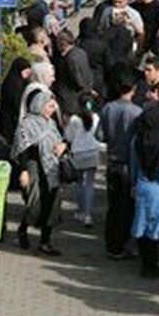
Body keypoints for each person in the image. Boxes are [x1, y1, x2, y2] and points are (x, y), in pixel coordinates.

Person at [14, 88, 66, 255]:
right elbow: (22, 149)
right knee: (35, 202)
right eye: (49, 107)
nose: (52, 111)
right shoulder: (26, 124)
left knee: (52, 202)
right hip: (34, 166)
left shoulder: (51, 124)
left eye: (53, 107)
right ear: (39, 105)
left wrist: (63, 146)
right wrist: (23, 171)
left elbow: (62, 139)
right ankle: (23, 230)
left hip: (51, 168)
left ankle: (45, 241)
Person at [100, 65, 142, 259]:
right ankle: (122, 245)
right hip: (128, 164)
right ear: (133, 89)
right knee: (126, 207)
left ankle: (111, 244)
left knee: (113, 206)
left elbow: (100, 135)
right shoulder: (137, 112)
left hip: (111, 161)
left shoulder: (108, 108)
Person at [130, 105, 159, 278]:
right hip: (157, 189)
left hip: (141, 185)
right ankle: (153, 266)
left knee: (141, 225)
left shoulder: (137, 139)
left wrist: (133, 184)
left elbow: (133, 163)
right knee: (155, 227)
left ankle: (145, 264)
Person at [64, 94, 104, 229]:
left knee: (80, 183)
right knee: (90, 184)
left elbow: (68, 137)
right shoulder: (96, 117)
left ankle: (81, 211)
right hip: (93, 152)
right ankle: (88, 214)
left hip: (78, 153)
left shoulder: (74, 119)